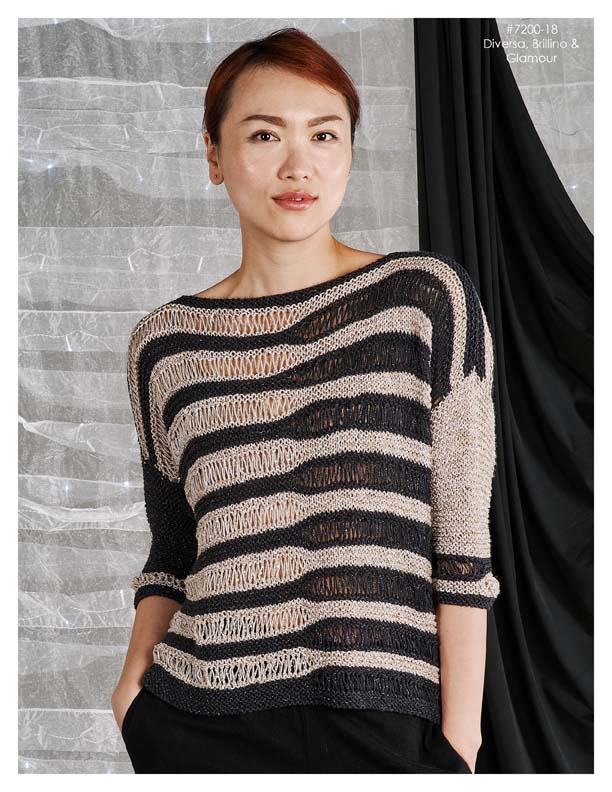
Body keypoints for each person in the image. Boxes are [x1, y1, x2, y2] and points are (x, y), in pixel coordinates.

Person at [111, 27, 500, 774]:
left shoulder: (422, 301)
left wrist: (461, 741)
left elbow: (461, 543)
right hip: (200, 723)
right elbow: (173, 551)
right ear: (214, 155)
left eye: (324, 134)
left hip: (387, 721)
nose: (299, 165)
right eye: (265, 135)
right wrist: (132, 693)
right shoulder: (163, 345)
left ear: (349, 150)